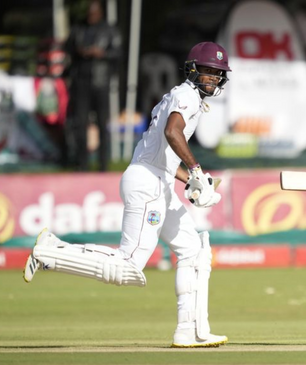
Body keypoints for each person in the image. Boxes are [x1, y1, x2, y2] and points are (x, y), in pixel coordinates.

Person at [23, 42, 232, 348]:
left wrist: (195, 182)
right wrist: (198, 169)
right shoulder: (186, 95)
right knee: (129, 266)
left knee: (193, 249)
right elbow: (172, 133)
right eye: (208, 71)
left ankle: (191, 331)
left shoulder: (185, 97)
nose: (212, 78)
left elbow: (164, 155)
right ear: (193, 69)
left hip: (156, 179)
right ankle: (51, 252)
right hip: (148, 184)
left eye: (217, 73)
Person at [64, 0, 121, 171]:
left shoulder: (109, 30)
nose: (91, 16)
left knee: (102, 124)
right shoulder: (78, 29)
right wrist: (80, 52)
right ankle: (83, 164)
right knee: (80, 123)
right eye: (89, 13)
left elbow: (118, 52)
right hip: (81, 81)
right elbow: (68, 48)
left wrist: (101, 53)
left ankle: (103, 164)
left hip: (101, 82)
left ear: (100, 13)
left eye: (94, 13)